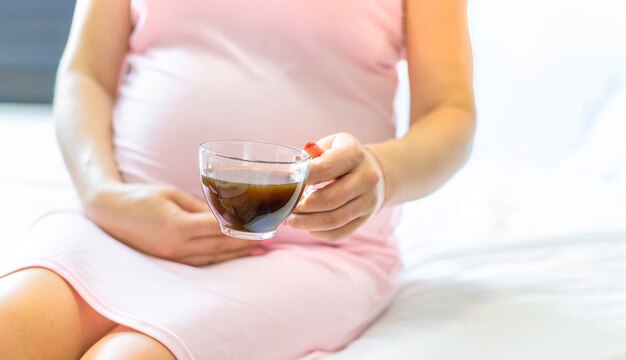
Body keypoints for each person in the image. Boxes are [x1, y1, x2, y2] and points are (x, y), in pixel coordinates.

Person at [0, 0, 475, 358]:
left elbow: (450, 112)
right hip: (119, 224)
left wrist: (382, 173)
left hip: (309, 251)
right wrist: (104, 195)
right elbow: (86, 72)